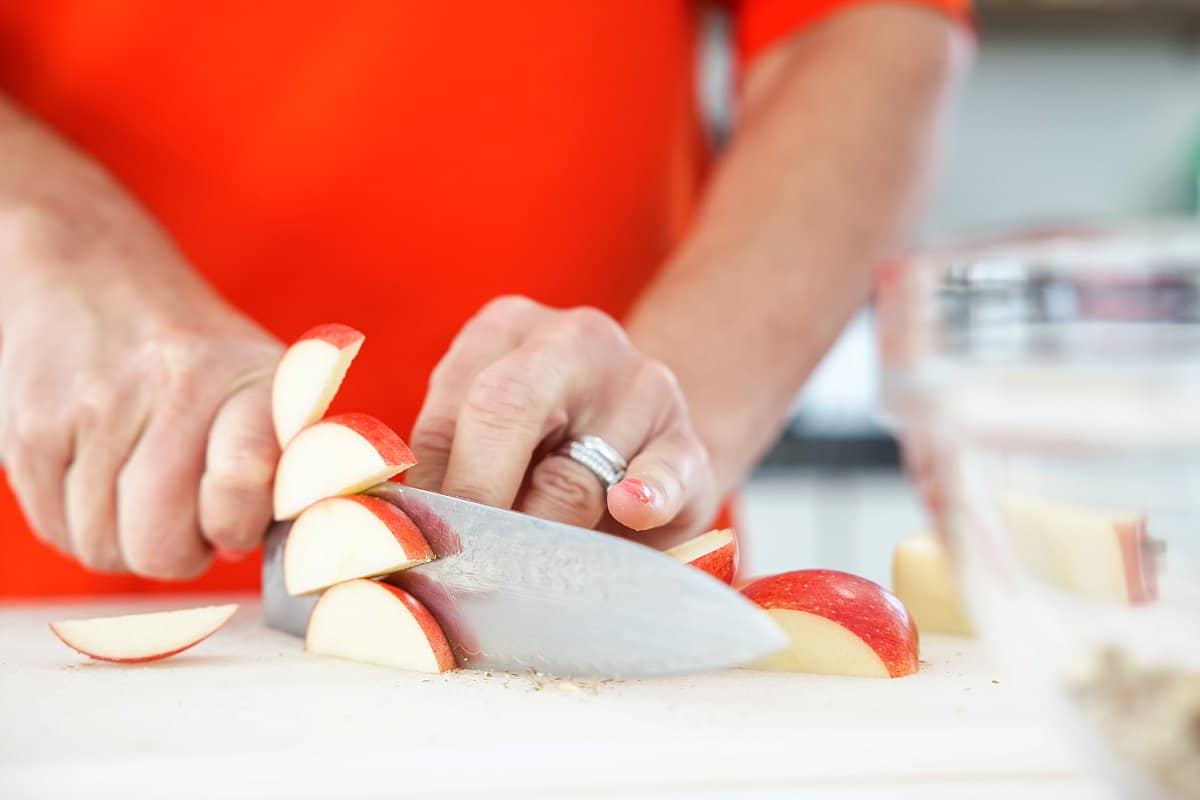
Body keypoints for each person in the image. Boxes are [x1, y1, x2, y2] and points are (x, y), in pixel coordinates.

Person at [0, 2, 973, 598]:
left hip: (590, 587)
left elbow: (860, 29)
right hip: (49, 599)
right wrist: (42, 235)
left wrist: (657, 429)